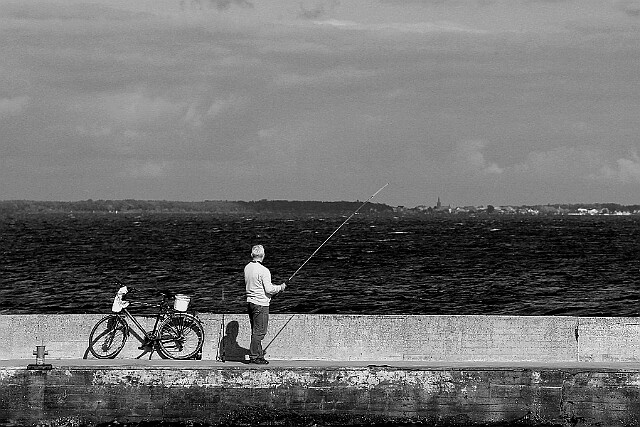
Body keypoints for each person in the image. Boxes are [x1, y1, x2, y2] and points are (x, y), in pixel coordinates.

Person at [244, 244, 286, 364]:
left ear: (252, 255)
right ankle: (254, 356)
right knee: (260, 332)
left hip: (250, 303)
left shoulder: (247, 268)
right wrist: (280, 288)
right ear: (263, 255)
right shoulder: (264, 271)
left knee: (255, 330)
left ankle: (259, 355)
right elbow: (269, 289)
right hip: (260, 304)